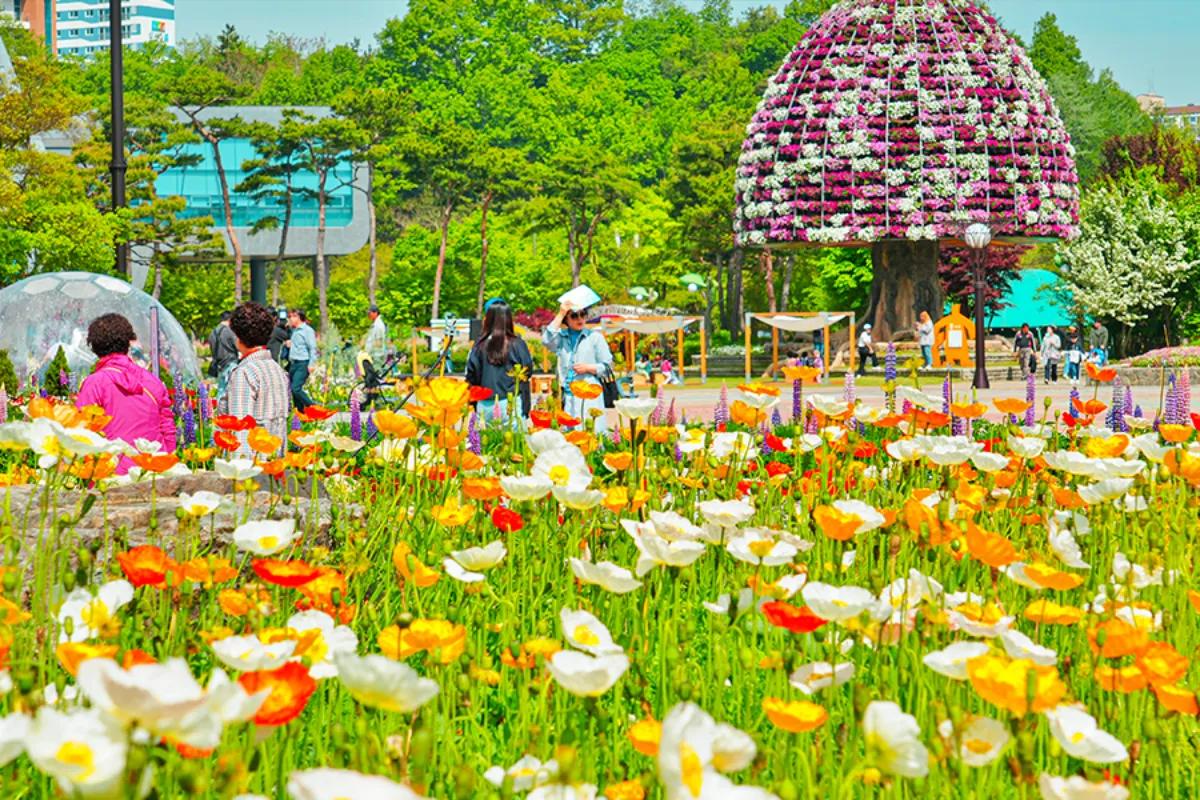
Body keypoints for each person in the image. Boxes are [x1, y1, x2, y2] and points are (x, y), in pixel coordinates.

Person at [76, 313, 176, 474]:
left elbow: (81, 431)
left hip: (111, 475)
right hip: (153, 471)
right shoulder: (152, 381)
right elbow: (168, 428)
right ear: (128, 343)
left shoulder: (95, 383)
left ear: (93, 347)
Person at [219, 303, 291, 458]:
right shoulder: (277, 370)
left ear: (238, 337)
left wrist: (240, 470)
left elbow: (241, 428)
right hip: (274, 462)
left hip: (253, 466)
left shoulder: (245, 372)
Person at [544, 303, 614, 432]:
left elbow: (608, 366)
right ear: (566, 319)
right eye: (575, 316)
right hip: (569, 394)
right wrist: (561, 313)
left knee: (592, 434)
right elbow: (547, 341)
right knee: (571, 435)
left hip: (590, 394)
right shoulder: (561, 337)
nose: (580, 319)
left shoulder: (595, 337)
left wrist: (589, 368)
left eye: (583, 314)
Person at [466, 300, 533, 427]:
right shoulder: (517, 344)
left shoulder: (479, 345)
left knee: (489, 443)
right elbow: (527, 371)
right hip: (510, 401)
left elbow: (471, 374)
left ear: (488, 319)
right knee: (515, 443)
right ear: (508, 319)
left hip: (485, 402)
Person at [286, 308, 318, 412]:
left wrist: (312, 364)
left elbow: (312, 348)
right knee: (294, 391)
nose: (290, 319)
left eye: (293, 316)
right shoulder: (295, 330)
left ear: (299, 317)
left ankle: (313, 407)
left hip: (303, 363)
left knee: (296, 388)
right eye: (290, 316)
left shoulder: (307, 330)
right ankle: (300, 415)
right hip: (293, 363)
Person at [208, 311, 239, 397]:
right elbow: (238, 346)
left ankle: (219, 409)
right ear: (230, 320)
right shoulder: (229, 332)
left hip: (219, 365)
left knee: (221, 391)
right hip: (230, 363)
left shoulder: (213, 332)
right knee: (232, 391)